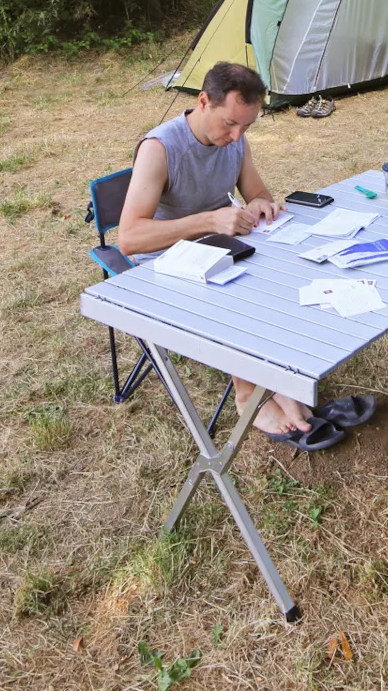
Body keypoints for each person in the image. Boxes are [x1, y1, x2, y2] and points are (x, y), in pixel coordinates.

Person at [118, 61, 312, 441]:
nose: (237, 136)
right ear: (204, 101)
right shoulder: (159, 148)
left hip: (219, 247)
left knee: (285, 272)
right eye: (230, 124)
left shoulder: (235, 141)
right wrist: (209, 221)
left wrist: (261, 205)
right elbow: (129, 238)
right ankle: (247, 394)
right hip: (165, 259)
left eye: (247, 127)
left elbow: (257, 194)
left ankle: (277, 382)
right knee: (237, 295)